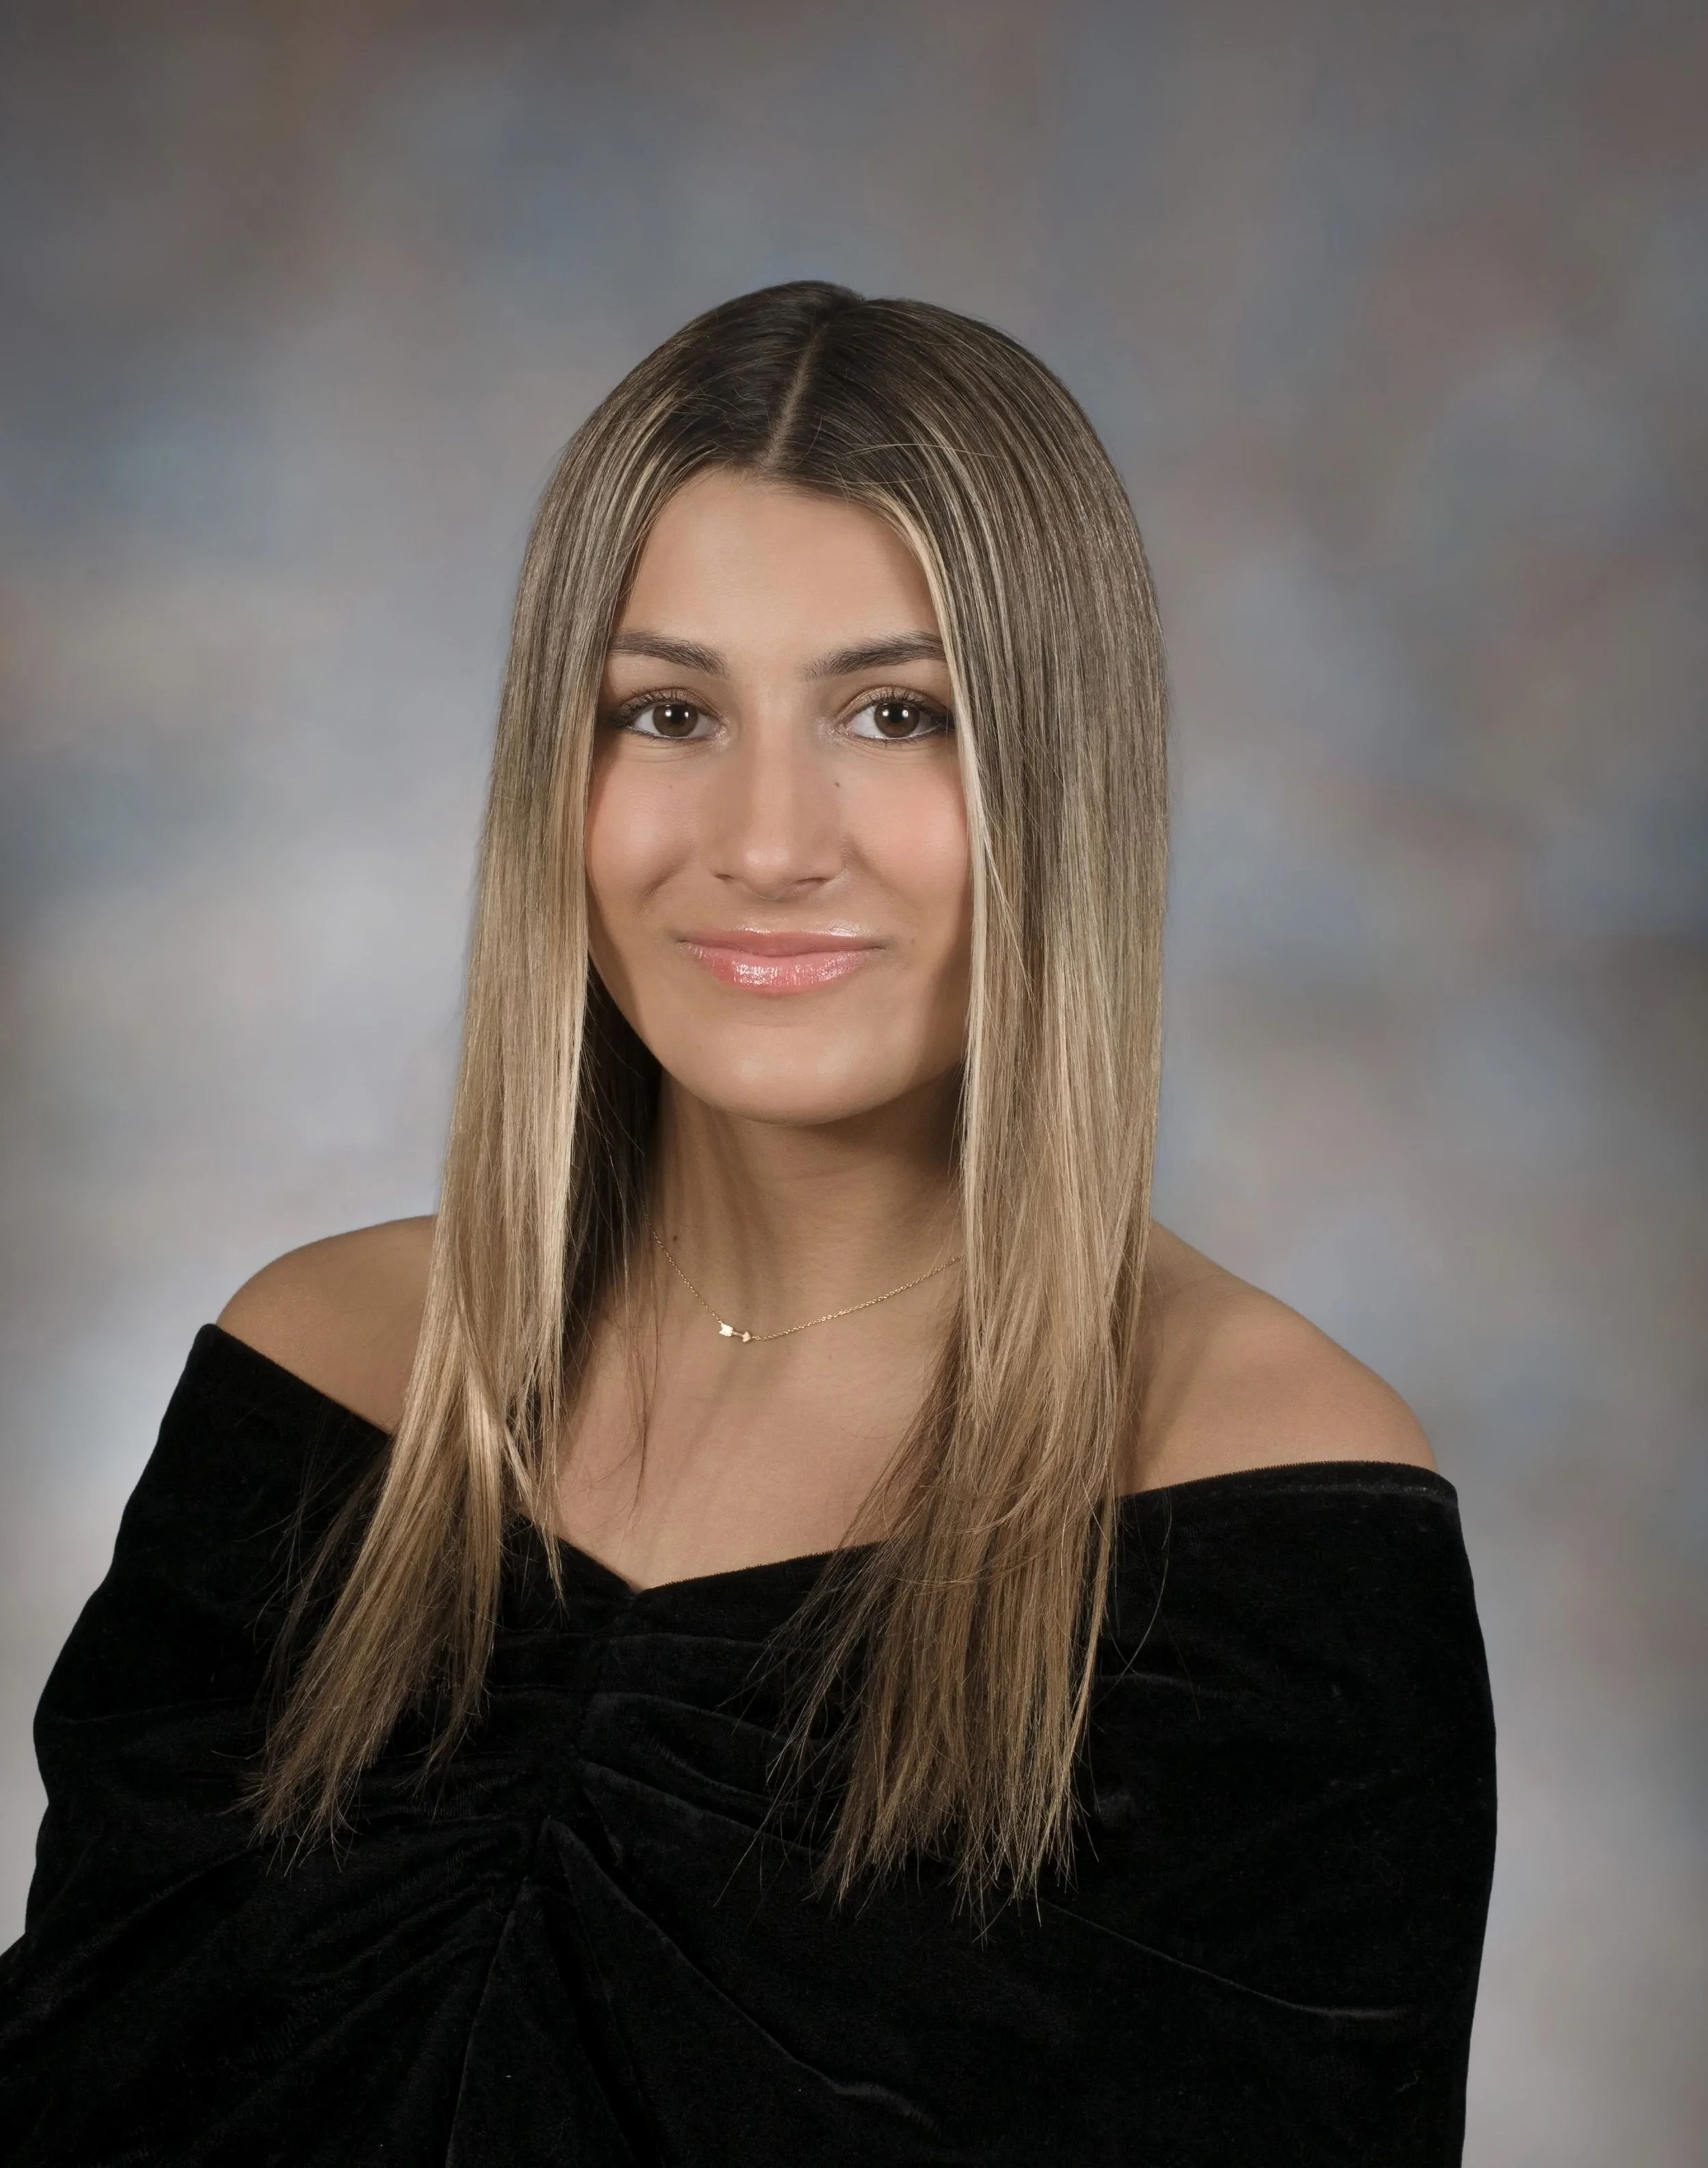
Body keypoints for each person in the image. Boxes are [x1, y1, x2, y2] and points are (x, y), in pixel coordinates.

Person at [0, 282, 1496, 2165]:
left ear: (1063, 780)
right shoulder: (318, 1376)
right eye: (668, 712)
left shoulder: (1269, 1509)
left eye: (896, 714)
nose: (769, 839)